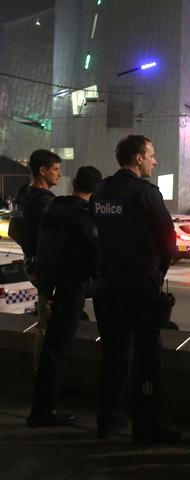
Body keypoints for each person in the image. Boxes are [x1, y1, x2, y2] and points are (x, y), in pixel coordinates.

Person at [92, 135, 178, 444]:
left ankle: (107, 421)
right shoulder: (145, 194)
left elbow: (94, 236)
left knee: (113, 354)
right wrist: (157, 273)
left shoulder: (101, 192)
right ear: (138, 158)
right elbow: (169, 242)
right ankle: (146, 427)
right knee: (147, 358)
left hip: (108, 285)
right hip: (140, 287)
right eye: (152, 155)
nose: (155, 161)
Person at [26, 166, 102, 427]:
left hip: (51, 284)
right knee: (56, 350)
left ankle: (41, 408)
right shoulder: (82, 215)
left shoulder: (55, 207)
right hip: (71, 287)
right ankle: (44, 412)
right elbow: (94, 255)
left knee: (50, 348)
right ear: (96, 190)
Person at [8, 149, 61, 369]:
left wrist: (29, 250)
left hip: (31, 262)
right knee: (48, 323)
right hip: (46, 267)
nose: (59, 174)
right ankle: (44, 375)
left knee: (44, 321)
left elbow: (13, 231)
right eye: (56, 169)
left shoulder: (21, 194)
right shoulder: (47, 202)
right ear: (42, 171)